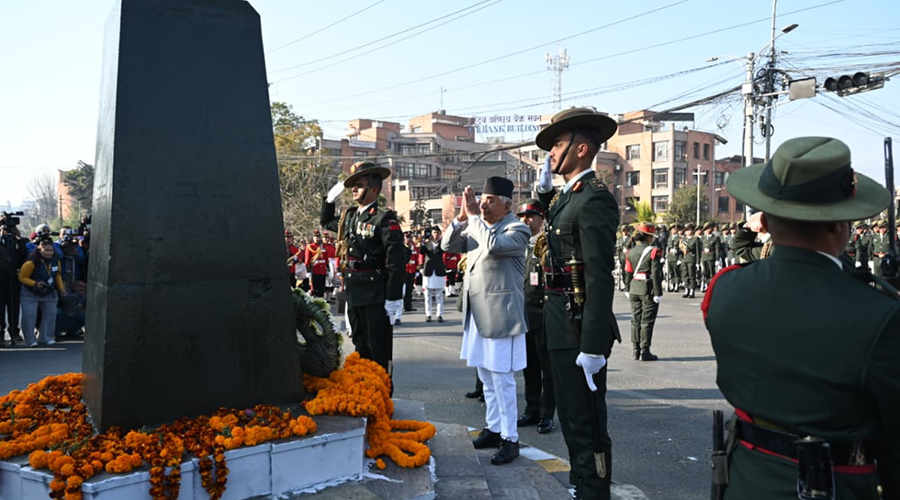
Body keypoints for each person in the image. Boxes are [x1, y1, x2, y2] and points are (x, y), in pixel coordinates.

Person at [703, 137, 899, 500]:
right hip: (837, 484)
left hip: (743, 478)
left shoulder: (725, 290)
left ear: (767, 216)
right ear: (841, 223)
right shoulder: (880, 315)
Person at [535, 107, 621, 499]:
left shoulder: (594, 200)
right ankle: (582, 484)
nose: (551, 153)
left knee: (586, 422)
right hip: (558, 318)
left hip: (578, 322)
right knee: (570, 417)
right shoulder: (567, 197)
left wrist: (593, 344)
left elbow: (600, 277)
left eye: (557, 144)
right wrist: (543, 196)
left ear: (582, 148)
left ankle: (594, 490)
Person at [442, 176, 530, 466]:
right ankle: (494, 429)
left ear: (507, 205)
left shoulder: (517, 229)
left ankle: (511, 438)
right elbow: (449, 246)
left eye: (490, 200)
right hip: (478, 315)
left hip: (502, 316)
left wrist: (475, 218)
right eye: (482, 198)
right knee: (486, 378)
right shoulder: (481, 228)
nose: (483, 204)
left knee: (503, 378)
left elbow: (492, 246)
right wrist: (459, 219)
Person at [321, 160, 405, 379]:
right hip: (354, 291)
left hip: (375, 293)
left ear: (373, 189)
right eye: (353, 185)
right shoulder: (350, 216)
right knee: (360, 347)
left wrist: (394, 296)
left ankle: (382, 395)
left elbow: (396, 260)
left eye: (359, 185)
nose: (353, 190)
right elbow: (326, 221)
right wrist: (329, 200)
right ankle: (364, 392)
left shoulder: (384, 218)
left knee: (378, 350)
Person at [516, 198, 556, 435]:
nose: (526, 220)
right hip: (523, 314)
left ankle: (547, 414)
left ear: (541, 219)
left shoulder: (549, 244)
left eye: (530, 216)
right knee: (529, 367)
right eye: (522, 216)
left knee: (547, 369)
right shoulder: (518, 245)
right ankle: (531, 409)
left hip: (544, 312)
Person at [623, 221, 663, 361]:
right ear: (649, 236)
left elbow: (627, 271)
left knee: (636, 320)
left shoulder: (630, 251)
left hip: (634, 288)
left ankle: (636, 350)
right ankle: (645, 351)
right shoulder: (653, 251)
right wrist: (658, 293)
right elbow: (656, 273)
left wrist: (627, 288)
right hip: (647, 289)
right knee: (646, 321)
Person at [18, 237, 67, 347]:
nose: (49, 253)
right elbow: (22, 277)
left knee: (50, 314)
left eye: (51, 250)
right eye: (46, 250)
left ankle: (46, 337)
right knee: (29, 315)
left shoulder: (55, 262)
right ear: (40, 250)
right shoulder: (30, 263)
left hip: (49, 292)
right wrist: (34, 283)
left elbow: (57, 276)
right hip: (30, 293)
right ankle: (30, 340)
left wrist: (61, 288)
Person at [0, 219, 28, 346]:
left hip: (13, 280)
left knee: (14, 308)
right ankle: (0, 334)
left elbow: (24, 254)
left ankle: (14, 332)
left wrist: (18, 238)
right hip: (1, 280)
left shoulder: (18, 242)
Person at [420, 226, 446, 323]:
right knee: (427, 295)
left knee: (439, 295)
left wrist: (441, 242)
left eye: (437, 233)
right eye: (434, 232)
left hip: (439, 270)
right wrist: (423, 242)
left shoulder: (442, 243)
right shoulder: (427, 243)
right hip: (428, 271)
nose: (436, 234)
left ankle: (439, 314)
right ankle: (428, 314)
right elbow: (421, 252)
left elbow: (445, 249)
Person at [304, 230, 328, 298]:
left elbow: (325, 258)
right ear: (313, 237)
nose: (317, 238)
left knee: (321, 290)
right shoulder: (310, 247)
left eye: (318, 236)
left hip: (322, 271)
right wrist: (308, 270)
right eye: (315, 236)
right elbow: (307, 259)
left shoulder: (323, 246)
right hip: (315, 271)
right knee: (315, 290)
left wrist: (327, 267)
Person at [679, 222, 700, 298]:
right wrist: (680, 258)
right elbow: (680, 251)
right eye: (687, 230)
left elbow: (697, 251)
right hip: (684, 258)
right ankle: (686, 289)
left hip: (691, 258)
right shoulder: (683, 239)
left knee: (691, 275)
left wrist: (698, 262)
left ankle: (692, 290)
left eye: (690, 230)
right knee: (685, 275)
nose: (688, 232)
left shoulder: (695, 239)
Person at [699, 222, 719, 292]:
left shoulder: (715, 238)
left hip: (711, 256)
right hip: (704, 256)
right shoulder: (703, 238)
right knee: (705, 272)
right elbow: (700, 247)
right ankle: (707, 285)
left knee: (711, 272)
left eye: (710, 228)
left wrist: (717, 259)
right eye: (707, 229)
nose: (708, 230)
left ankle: (712, 286)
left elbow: (717, 249)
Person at [402, 232, 418, 313]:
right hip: (404, 270)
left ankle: (408, 305)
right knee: (403, 290)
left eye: (409, 238)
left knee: (409, 289)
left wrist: (417, 269)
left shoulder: (413, 247)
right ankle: (401, 305)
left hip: (412, 270)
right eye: (406, 238)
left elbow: (416, 258)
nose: (408, 239)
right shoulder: (401, 248)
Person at [666, 223, 683, 292]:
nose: (674, 231)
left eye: (675, 229)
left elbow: (682, 249)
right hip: (670, 256)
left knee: (676, 272)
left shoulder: (679, 238)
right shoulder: (669, 238)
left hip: (676, 257)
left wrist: (679, 257)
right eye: (672, 229)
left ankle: (676, 285)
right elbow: (667, 247)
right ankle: (672, 285)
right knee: (671, 272)